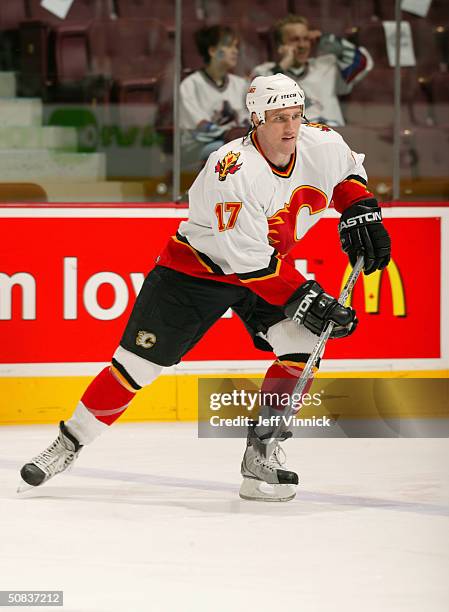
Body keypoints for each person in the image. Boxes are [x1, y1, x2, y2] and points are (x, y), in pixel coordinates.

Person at [19, 74, 391, 502]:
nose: (290, 128)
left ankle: (261, 456)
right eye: (278, 119)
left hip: (263, 268)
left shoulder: (320, 142)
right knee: (134, 367)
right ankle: (68, 443)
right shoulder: (230, 167)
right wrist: (305, 296)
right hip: (196, 273)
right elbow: (243, 259)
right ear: (255, 119)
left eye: (296, 116)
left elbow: (346, 171)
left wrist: (360, 208)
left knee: (304, 345)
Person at [252, 14, 373, 126]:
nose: (302, 45)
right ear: (280, 46)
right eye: (295, 40)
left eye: (306, 39)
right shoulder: (264, 72)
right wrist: (283, 66)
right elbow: (258, 101)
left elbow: (361, 61)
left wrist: (326, 38)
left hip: (333, 138)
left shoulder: (327, 66)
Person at [180, 25, 250, 169]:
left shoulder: (241, 84)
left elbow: (249, 121)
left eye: (236, 47)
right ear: (212, 51)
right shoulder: (190, 85)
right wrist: (230, 134)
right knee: (230, 151)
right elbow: (200, 130)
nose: (235, 51)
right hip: (199, 148)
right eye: (229, 46)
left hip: (235, 141)